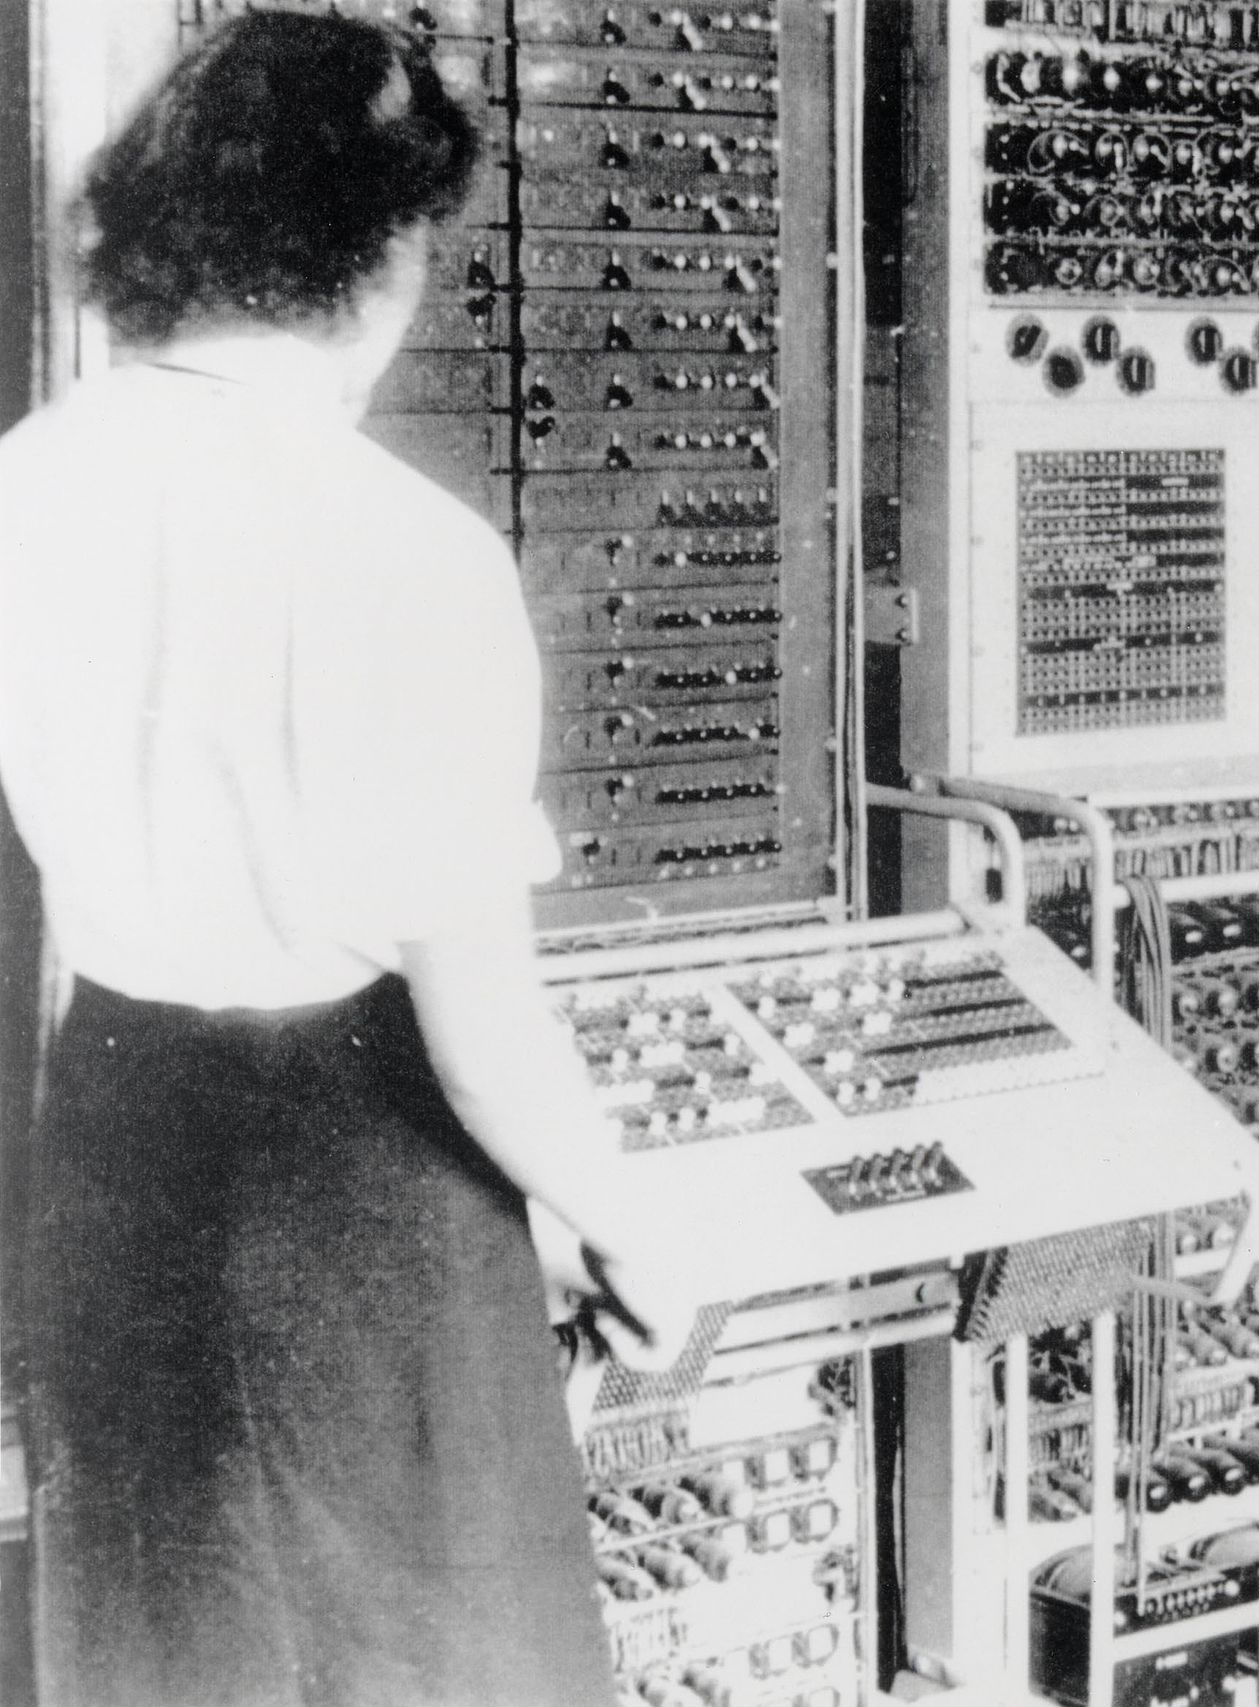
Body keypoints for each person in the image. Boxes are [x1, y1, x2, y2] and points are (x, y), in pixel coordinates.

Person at [0, 17, 706, 1704]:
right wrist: (623, 1227)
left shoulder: (23, 487)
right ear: (385, 255)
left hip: (114, 1150)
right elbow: (485, 1037)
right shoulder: (408, 553)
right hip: (364, 1208)